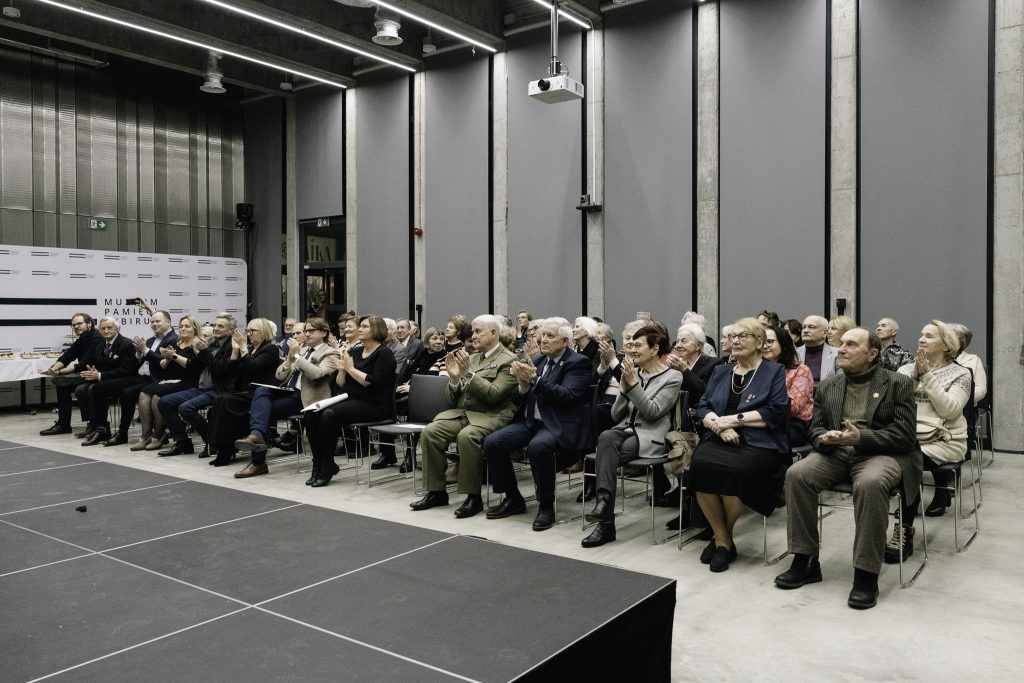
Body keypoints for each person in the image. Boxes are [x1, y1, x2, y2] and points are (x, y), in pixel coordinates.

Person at [775, 327, 920, 610]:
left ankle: (866, 573)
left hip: (881, 452)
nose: (841, 348)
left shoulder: (897, 383)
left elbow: (904, 436)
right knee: (797, 475)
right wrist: (824, 438)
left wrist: (860, 437)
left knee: (870, 483)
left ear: (872, 353)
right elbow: (814, 427)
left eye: (851, 344)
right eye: (841, 343)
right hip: (836, 451)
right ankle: (805, 559)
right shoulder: (830, 385)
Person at [688, 318, 790, 573]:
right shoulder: (722, 371)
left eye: (742, 336)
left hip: (760, 441)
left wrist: (732, 421)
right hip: (719, 436)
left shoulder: (774, 371)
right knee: (700, 464)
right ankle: (723, 540)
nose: (735, 340)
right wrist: (719, 427)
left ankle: (720, 538)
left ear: (759, 342)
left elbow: (775, 411)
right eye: (732, 336)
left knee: (738, 470)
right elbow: (703, 406)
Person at [483, 317, 593, 531]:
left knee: (538, 447)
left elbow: (568, 396)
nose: (543, 340)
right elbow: (518, 398)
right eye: (542, 335)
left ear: (565, 341)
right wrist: (523, 385)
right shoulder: (539, 360)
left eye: (550, 336)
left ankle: (546, 505)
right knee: (493, 443)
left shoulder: (578, 363)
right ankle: (513, 498)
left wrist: (536, 380)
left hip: (557, 423)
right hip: (531, 421)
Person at [582, 325, 683, 547]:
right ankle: (604, 507)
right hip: (623, 432)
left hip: (650, 437)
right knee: (607, 436)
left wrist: (632, 386)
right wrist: (624, 389)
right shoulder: (633, 372)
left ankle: (605, 519)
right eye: (631, 345)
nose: (632, 349)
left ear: (654, 349)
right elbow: (615, 415)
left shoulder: (673, 377)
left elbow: (653, 412)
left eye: (638, 345)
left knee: (606, 450)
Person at [410, 315, 518, 517]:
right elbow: (452, 400)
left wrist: (467, 373)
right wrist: (453, 380)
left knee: (467, 437)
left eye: (478, 331)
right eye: (473, 331)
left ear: (494, 333)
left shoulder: (509, 360)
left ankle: (473, 497)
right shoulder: (473, 358)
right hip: (464, 413)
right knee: (431, 432)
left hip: (491, 415)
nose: (473, 336)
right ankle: (436, 492)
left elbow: (494, 395)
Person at [232, 317, 340, 477]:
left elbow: (317, 374)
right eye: (306, 331)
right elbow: (279, 376)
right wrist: (289, 360)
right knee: (261, 392)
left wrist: (297, 357)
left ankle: (258, 461)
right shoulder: (302, 350)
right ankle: (257, 437)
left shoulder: (331, 352)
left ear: (324, 333)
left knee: (262, 412)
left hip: (308, 399)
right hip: (289, 393)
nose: (307, 334)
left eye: (311, 331)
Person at [303, 315, 397, 487]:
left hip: (375, 404)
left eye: (365, 326)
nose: (360, 329)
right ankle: (318, 462)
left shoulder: (385, 354)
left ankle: (327, 464)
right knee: (311, 413)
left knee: (329, 415)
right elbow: (341, 383)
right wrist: (342, 370)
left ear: (377, 330)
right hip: (351, 400)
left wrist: (350, 369)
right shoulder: (354, 352)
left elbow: (372, 384)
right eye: (360, 326)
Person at [896, 321, 970, 521]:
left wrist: (927, 376)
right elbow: (894, 404)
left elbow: (949, 410)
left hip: (944, 441)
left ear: (946, 345)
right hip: (909, 437)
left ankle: (905, 525)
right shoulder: (905, 370)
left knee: (906, 459)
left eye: (929, 336)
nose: (921, 339)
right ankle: (911, 500)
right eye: (921, 335)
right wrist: (914, 378)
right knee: (890, 456)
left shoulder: (961, 373)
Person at [157, 313, 240, 457]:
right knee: (164, 402)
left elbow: (220, 370)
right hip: (201, 387)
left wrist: (203, 352)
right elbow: (197, 365)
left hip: (219, 389)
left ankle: (212, 441)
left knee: (185, 408)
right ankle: (182, 442)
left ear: (231, 330)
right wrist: (197, 352)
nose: (216, 328)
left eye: (220, 326)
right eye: (214, 325)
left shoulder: (231, 346)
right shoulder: (212, 343)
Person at [98, 310, 179, 446]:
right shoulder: (151, 340)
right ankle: (107, 429)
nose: (154, 324)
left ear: (168, 322)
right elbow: (141, 362)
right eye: (152, 322)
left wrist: (145, 350)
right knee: (106, 388)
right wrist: (139, 353)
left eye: (158, 321)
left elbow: (163, 363)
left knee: (127, 393)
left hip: (157, 379)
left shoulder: (173, 339)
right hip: (141, 376)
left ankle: (127, 432)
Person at [134, 315, 204, 451]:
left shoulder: (197, 345)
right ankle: (146, 434)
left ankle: (158, 435)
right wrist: (167, 358)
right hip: (170, 381)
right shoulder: (177, 343)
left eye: (187, 326)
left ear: (195, 329)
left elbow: (193, 368)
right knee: (144, 392)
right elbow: (163, 365)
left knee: (157, 396)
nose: (183, 329)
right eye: (181, 326)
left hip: (188, 382)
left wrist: (173, 356)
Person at [78, 318, 141, 446]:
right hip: (109, 379)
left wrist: (99, 375)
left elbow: (126, 371)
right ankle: (98, 426)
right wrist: (94, 371)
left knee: (96, 388)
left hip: (129, 379)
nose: (106, 331)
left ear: (117, 329)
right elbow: (101, 365)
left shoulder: (127, 344)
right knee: (81, 389)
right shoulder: (100, 346)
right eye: (103, 328)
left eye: (109, 328)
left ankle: (102, 429)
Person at [39, 313, 103, 436]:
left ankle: (90, 424)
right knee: (61, 384)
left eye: (79, 323)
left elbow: (85, 363)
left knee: (70, 386)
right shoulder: (83, 339)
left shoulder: (96, 338)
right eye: (74, 325)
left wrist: (59, 372)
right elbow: (68, 356)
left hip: (97, 375)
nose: (76, 327)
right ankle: (64, 424)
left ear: (89, 323)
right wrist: (53, 369)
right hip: (86, 374)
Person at [762, 324, 814, 446]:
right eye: (762, 342)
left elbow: (793, 407)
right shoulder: (758, 369)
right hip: (761, 419)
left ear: (784, 344)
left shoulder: (800, 370)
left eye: (769, 342)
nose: (764, 346)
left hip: (791, 424)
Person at [948, 322, 987, 405]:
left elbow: (981, 389)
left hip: (966, 407)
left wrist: (961, 396)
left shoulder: (973, 360)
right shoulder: (933, 358)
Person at [797, 315, 838, 384]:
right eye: (803, 327)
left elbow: (840, 384)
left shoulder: (837, 354)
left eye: (811, 327)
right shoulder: (794, 353)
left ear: (825, 333)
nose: (805, 330)